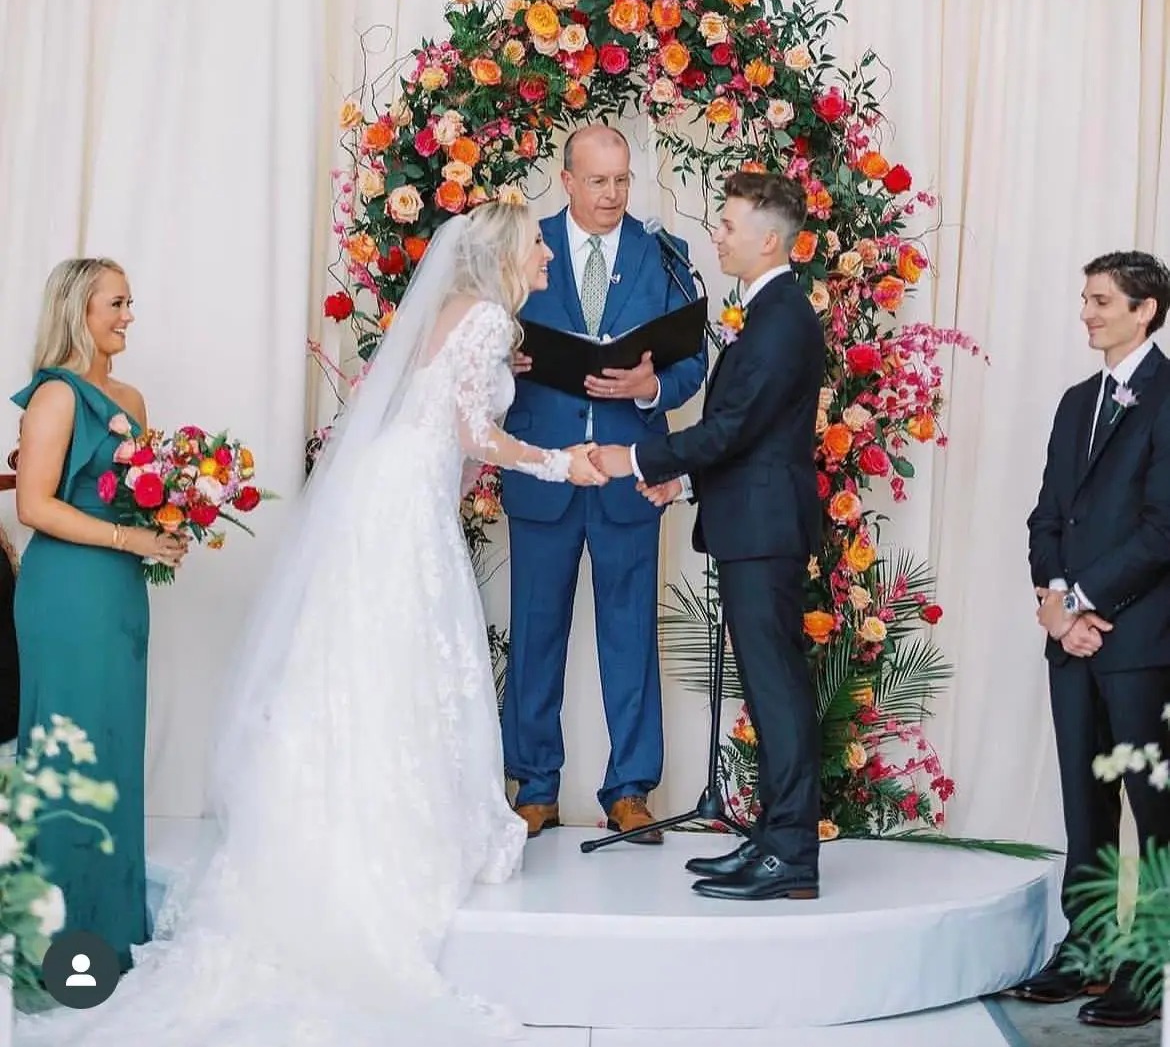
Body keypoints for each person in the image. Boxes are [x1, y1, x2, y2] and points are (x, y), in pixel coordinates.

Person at [16, 202, 606, 1047]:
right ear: (509, 252)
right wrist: (561, 463)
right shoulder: (484, 316)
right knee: (407, 654)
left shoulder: (457, 313)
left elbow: (435, 415)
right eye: (540, 250)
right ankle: (393, 829)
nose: (548, 259)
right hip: (408, 500)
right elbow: (474, 432)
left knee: (370, 655)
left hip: (392, 486)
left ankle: (338, 814)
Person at [591, 171, 825, 901]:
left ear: (768, 238)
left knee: (777, 689)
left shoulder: (782, 316)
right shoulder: (769, 311)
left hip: (763, 532)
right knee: (768, 685)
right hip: (750, 523)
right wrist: (683, 481)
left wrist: (634, 457)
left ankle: (791, 852)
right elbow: (749, 438)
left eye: (727, 224)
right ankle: (776, 841)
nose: (716, 234)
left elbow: (732, 427)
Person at [501, 124, 706, 841]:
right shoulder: (521, 248)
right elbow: (476, 342)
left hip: (627, 475)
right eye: (598, 181)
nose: (612, 194)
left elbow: (692, 362)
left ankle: (629, 789)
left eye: (621, 180)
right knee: (534, 632)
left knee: (629, 633)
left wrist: (653, 386)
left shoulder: (664, 256)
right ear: (566, 180)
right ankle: (532, 784)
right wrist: (506, 364)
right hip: (541, 472)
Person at [1005, 251, 1170, 1030]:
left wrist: (1085, 598)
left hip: (1141, 638)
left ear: (1146, 309)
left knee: (1153, 809)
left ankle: (1148, 962)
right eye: (1084, 298)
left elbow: (1162, 528)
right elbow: (1047, 515)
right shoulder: (1077, 402)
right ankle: (1087, 944)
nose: (1087, 312)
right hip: (1069, 636)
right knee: (1085, 805)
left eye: (1101, 300)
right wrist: (1054, 604)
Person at [12, 258, 187, 971]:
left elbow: (136, 495)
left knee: (112, 747)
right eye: (116, 302)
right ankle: (53, 936)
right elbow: (34, 505)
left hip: (119, 592)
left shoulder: (132, 398)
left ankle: (109, 929)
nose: (128, 315)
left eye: (130, 302)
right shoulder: (56, 396)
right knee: (66, 752)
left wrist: (172, 524)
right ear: (79, 309)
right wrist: (131, 537)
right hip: (67, 595)